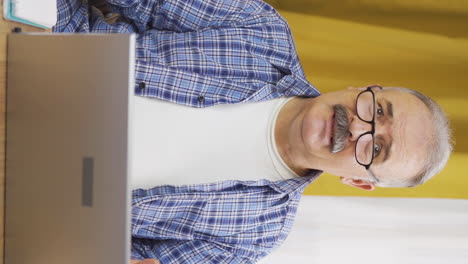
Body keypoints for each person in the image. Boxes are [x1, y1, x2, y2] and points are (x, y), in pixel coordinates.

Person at [54, 1, 453, 263]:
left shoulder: (255, 236)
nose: (359, 128)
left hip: (30, 194)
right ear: (363, 87)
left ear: (358, 181)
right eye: (377, 110)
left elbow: (108, 253)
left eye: (377, 149)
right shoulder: (261, 29)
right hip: (33, 47)